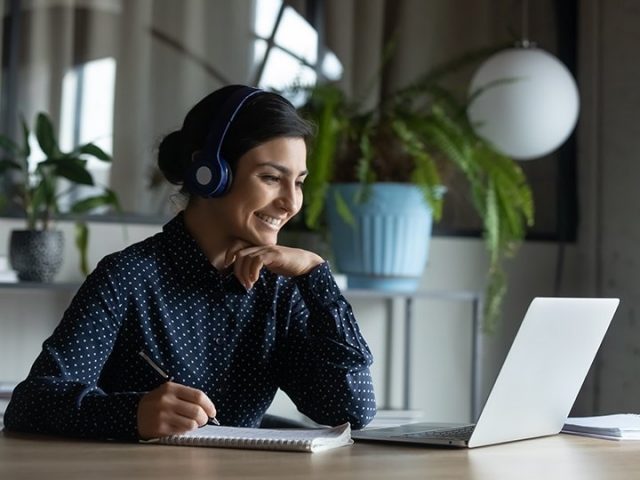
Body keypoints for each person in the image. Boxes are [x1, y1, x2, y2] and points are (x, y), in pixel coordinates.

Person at [4, 85, 376, 440]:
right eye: (270, 178)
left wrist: (315, 274)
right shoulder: (128, 276)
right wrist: (133, 414)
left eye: (298, 182)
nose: (290, 203)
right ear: (210, 174)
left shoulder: (280, 290)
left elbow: (353, 409)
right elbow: (30, 404)